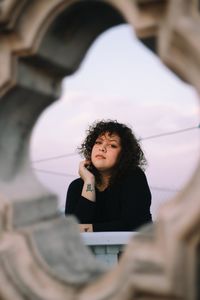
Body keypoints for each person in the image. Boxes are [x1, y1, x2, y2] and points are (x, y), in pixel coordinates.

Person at [65, 120, 152, 232]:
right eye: (98, 142)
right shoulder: (77, 186)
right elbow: (73, 230)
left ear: (123, 154)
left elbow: (135, 224)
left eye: (112, 145)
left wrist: (89, 229)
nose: (102, 148)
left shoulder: (133, 177)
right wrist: (89, 181)